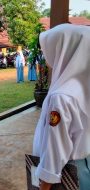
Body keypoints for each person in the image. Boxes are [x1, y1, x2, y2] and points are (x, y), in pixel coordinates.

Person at [33, 24, 90, 190]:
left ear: (65, 50)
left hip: (67, 174)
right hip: (84, 166)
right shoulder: (83, 84)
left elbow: (55, 151)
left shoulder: (62, 96)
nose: (46, 55)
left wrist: (43, 186)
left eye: (49, 49)